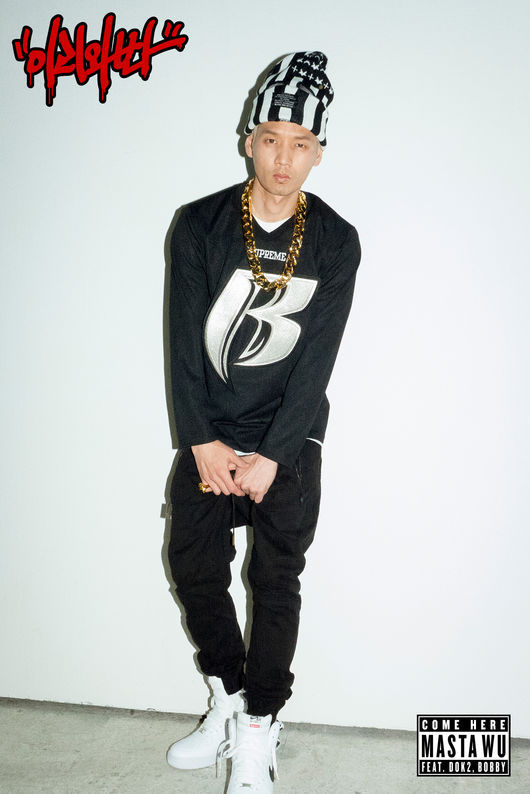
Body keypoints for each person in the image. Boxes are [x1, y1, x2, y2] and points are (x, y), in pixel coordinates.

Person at [166, 51, 361, 792]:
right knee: (194, 566)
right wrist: (202, 439)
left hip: (290, 438)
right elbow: (183, 340)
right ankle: (227, 694)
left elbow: (317, 362)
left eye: (301, 144)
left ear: (318, 152)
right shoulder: (200, 224)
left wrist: (276, 454)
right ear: (249, 140)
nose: (284, 158)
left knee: (276, 578)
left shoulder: (337, 240)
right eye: (272, 139)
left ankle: (258, 726)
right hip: (211, 431)